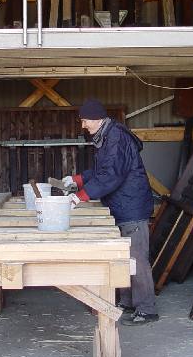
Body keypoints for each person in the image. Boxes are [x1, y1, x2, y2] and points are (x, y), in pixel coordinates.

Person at [62, 98, 159, 325]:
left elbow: (111, 175)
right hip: (122, 204)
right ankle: (127, 302)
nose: (83, 125)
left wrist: (80, 197)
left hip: (131, 206)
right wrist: (77, 180)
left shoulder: (117, 138)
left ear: (96, 119)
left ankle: (146, 309)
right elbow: (101, 170)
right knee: (123, 257)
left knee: (136, 259)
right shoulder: (107, 137)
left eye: (85, 121)